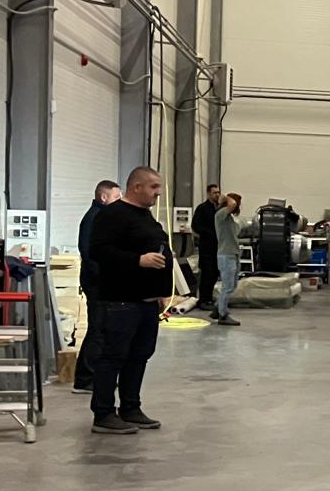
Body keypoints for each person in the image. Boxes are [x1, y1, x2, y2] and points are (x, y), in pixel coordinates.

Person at [87, 166, 172, 436]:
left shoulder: (145, 216)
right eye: (154, 187)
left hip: (146, 302)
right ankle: (103, 414)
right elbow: (97, 251)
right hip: (120, 301)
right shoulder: (112, 215)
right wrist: (138, 260)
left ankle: (131, 408)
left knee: (139, 356)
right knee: (113, 357)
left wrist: (161, 291)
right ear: (137, 187)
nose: (158, 193)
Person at [72, 179, 120, 395]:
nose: (120, 202)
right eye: (117, 198)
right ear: (104, 197)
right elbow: (90, 253)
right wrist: (104, 277)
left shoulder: (103, 217)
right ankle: (85, 378)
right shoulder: (95, 218)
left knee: (104, 330)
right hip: (97, 283)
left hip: (102, 282)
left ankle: (95, 375)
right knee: (97, 330)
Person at [211, 193, 243, 326]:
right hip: (226, 255)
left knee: (233, 285)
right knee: (227, 286)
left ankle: (217, 309)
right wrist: (225, 197)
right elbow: (233, 204)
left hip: (233, 254)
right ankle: (222, 315)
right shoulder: (221, 215)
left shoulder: (229, 218)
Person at [191, 183, 222, 309]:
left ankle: (209, 298)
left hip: (217, 247)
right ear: (209, 194)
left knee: (214, 273)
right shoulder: (202, 208)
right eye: (215, 192)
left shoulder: (219, 209)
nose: (217, 195)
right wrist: (209, 233)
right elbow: (195, 226)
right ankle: (203, 300)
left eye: (218, 192)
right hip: (207, 247)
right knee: (207, 274)